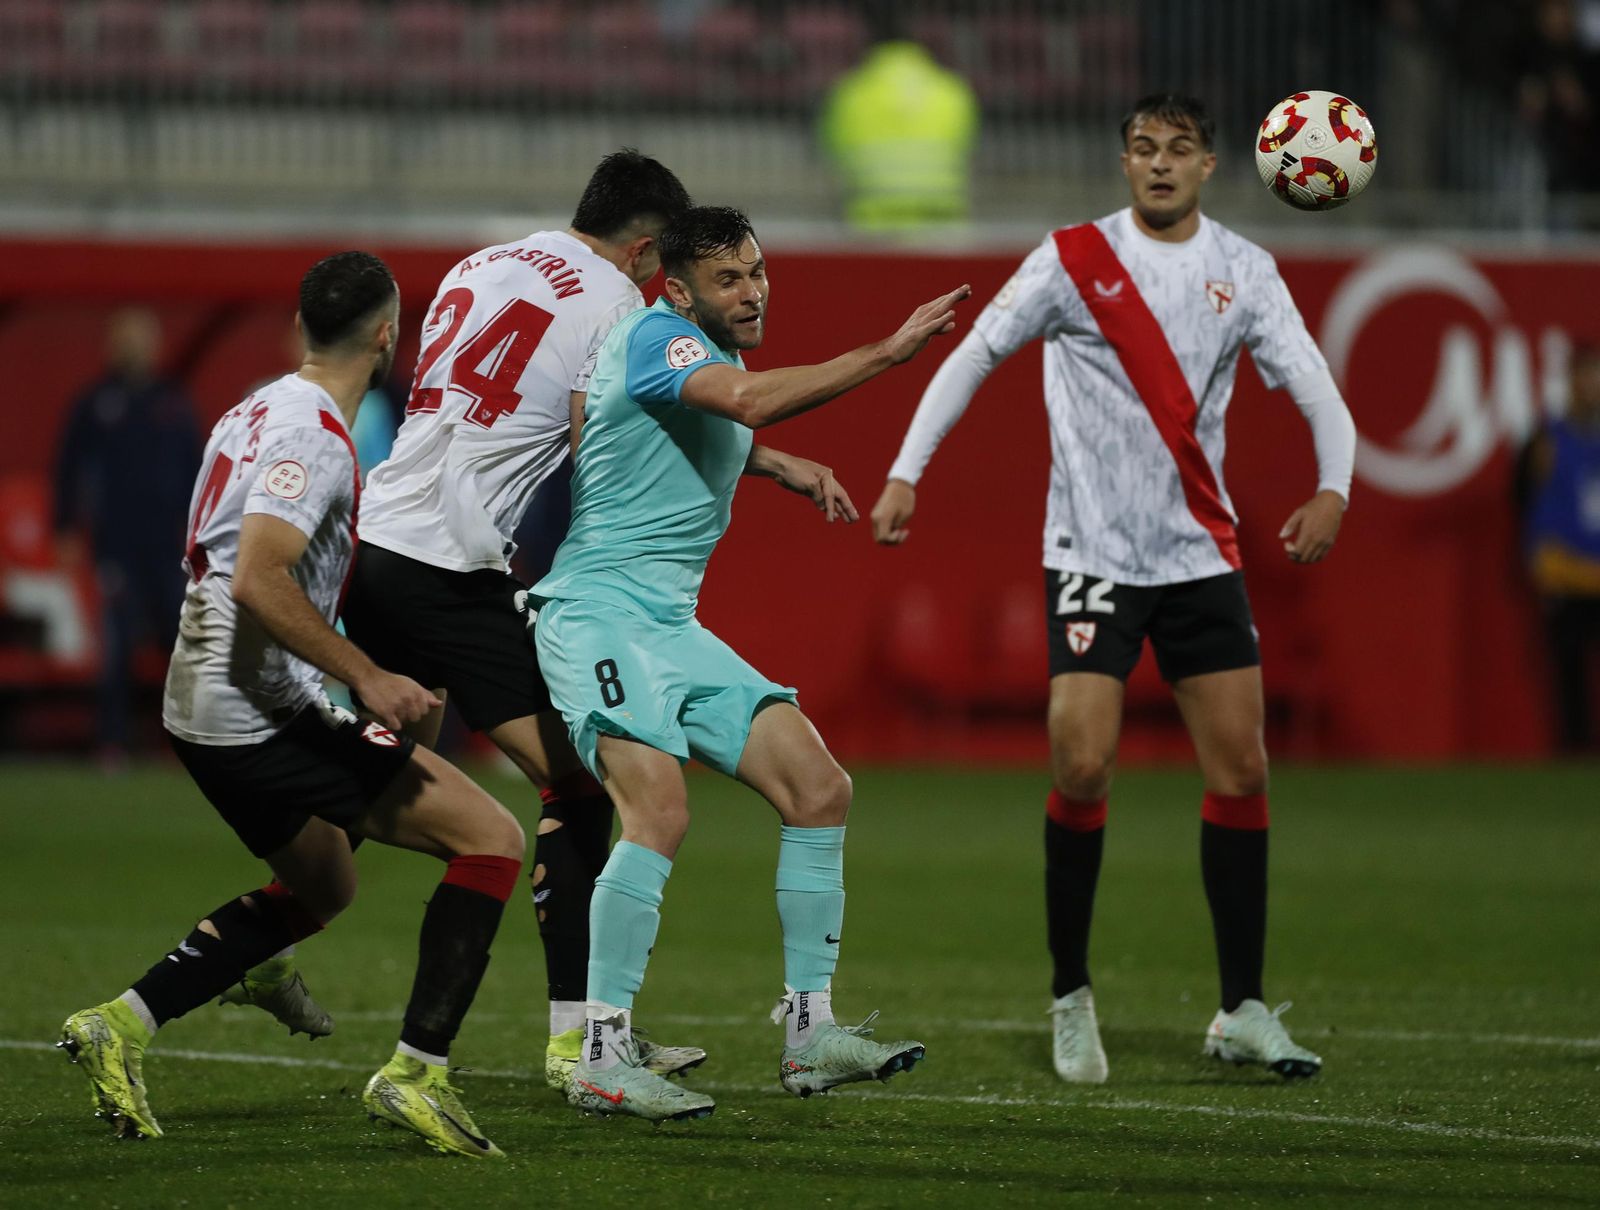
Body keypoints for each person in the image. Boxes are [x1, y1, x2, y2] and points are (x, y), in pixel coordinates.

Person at [870, 94, 1355, 1084]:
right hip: (1090, 555)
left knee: (1242, 770)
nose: (1160, 165)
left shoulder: (1243, 271)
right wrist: (906, 468)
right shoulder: (1068, 261)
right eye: (1143, 148)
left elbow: (1317, 394)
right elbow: (973, 356)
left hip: (1198, 560)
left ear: (1213, 165)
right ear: (1123, 161)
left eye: (1179, 150)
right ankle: (1069, 994)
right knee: (1082, 763)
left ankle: (1241, 1008)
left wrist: (1332, 489)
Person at [58, 253, 525, 1159]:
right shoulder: (313, 435)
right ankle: (417, 1072)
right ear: (389, 336)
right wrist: (372, 676)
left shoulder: (255, 406)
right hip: (255, 710)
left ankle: (122, 1022)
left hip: (204, 705)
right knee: (492, 838)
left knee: (326, 883)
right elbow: (259, 578)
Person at [531, 204, 969, 1122]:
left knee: (819, 787)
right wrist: (889, 353)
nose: (754, 290)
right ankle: (603, 1052)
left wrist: (776, 465)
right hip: (598, 615)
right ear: (679, 291)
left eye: (758, 271)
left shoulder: (697, 356)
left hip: (670, 625)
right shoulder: (658, 334)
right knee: (658, 808)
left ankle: (810, 1037)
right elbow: (742, 400)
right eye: (729, 280)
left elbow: (701, 422)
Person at [307, 150, 702, 1095]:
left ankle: (260, 936)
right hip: (449, 569)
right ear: (645, 250)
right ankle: (581, 1041)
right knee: (578, 787)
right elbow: (591, 447)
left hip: (380, 540)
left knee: (380, 766)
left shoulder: (481, 262)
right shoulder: (619, 309)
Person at [53, 307, 202, 766]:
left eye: (141, 338)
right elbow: (68, 469)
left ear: (155, 345)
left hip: (167, 547)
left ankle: (189, 740)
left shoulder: (174, 402)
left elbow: (199, 473)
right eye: (125, 338)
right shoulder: (95, 402)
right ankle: (113, 742)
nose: (133, 347)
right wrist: (65, 528)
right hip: (115, 544)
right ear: (112, 345)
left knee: (181, 643)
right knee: (116, 645)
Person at [818, 3, 979, 233]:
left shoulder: (849, 93)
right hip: (942, 222)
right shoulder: (953, 90)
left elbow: (832, 152)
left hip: (871, 224)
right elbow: (966, 148)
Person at [1518, 342, 1600, 753]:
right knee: (1569, 670)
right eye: (1586, 375)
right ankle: (1575, 752)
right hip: (1566, 567)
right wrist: (1540, 557)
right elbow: (1528, 498)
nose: (1592, 385)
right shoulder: (1549, 438)